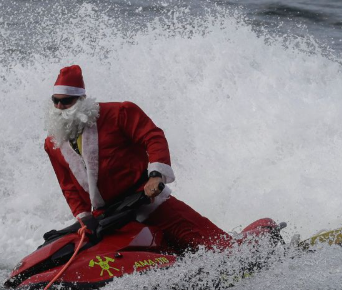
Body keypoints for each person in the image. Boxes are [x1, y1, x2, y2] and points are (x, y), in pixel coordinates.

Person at [44, 65, 230, 253]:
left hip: (147, 199)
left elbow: (153, 137)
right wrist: (84, 217)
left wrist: (156, 175)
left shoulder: (119, 113)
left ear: (81, 99)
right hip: (108, 217)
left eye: (66, 101)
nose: (59, 107)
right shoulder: (53, 144)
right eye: (56, 101)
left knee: (214, 244)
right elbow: (68, 186)